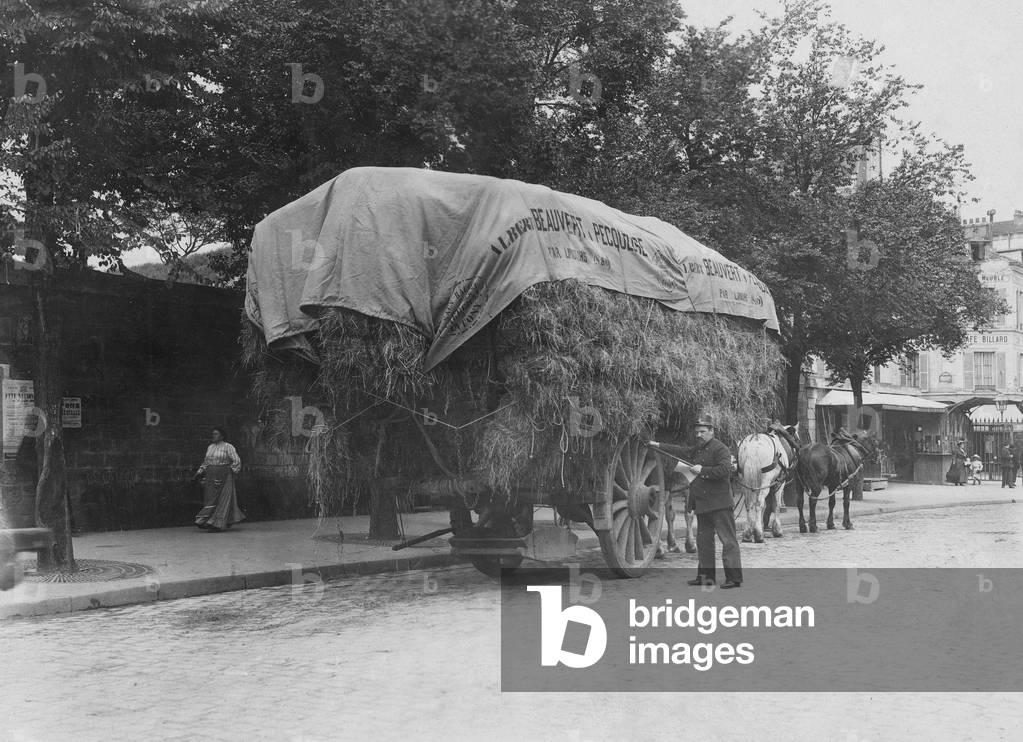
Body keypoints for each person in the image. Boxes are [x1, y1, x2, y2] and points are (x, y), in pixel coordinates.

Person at [677, 415, 742, 589]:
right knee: (704, 541)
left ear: (712, 431)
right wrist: (656, 445)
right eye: (697, 432)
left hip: (720, 503)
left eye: (703, 432)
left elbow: (724, 470)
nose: (699, 435)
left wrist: (702, 470)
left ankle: (734, 578)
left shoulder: (720, 449)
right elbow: (679, 451)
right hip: (703, 503)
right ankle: (706, 577)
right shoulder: (697, 450)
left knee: (728, 541)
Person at [193, 427, 246, 531]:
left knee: (221, 497)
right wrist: (199, 472)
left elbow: (236, 460)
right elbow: (206, 461)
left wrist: (229, 471)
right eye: (213, 434)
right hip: (210, 474)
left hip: (224, 474)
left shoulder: (228, 447)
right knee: (210, 497)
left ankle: (217, 523)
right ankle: (206, 520)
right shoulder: (210, 447)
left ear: (222, 436)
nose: (214, 436)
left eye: (216, 434)